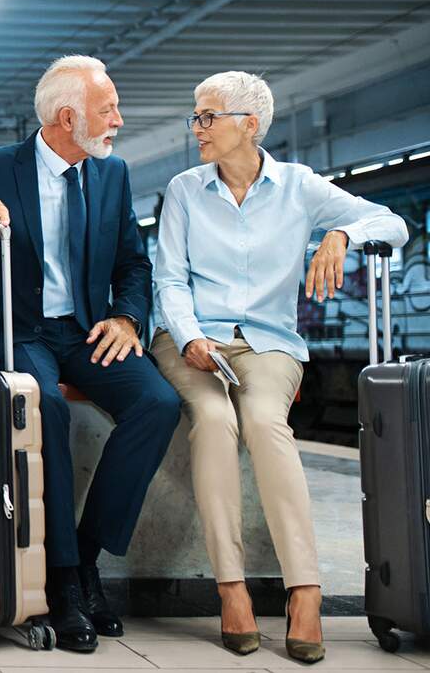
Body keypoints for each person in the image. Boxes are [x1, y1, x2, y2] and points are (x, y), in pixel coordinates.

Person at [0, 55, 181, 653]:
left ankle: (84, 557)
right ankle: (63, 584)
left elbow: (134, 262)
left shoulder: (112, 174)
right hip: (13, 331)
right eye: (107, 110)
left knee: (157, 402)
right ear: (66, 117)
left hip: (85, 331)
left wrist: (128, 316)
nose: (118, 120)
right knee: (43, 410)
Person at [152, 71, 408, 663]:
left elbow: (392, 223)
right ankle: (231, 589)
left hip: (268, 344)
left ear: (249, 125)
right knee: (214, 422)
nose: (197, 128)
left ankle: (306, 591)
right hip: (192, 341)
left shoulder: (300, 187)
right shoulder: (185, 190)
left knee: (266, 423)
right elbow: (169, 279)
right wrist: (189, 337)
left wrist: (341, 233)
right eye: (197, 116)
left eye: (207, 116)